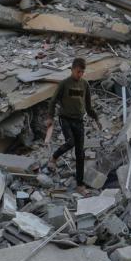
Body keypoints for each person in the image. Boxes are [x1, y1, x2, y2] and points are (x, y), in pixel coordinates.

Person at [48, 57, 99, 192]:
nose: (80, 74)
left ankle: (80, 184)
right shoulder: (64, 84)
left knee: (80, 154)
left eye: (82, 72)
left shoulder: (85, 85)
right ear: (72, 69)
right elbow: (53, 101)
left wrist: (96, 118)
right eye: (78, 72)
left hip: (79, 121)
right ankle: (54, 157)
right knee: (70, 142)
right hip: (65, 118)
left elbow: (88, 106)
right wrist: (50, 117)